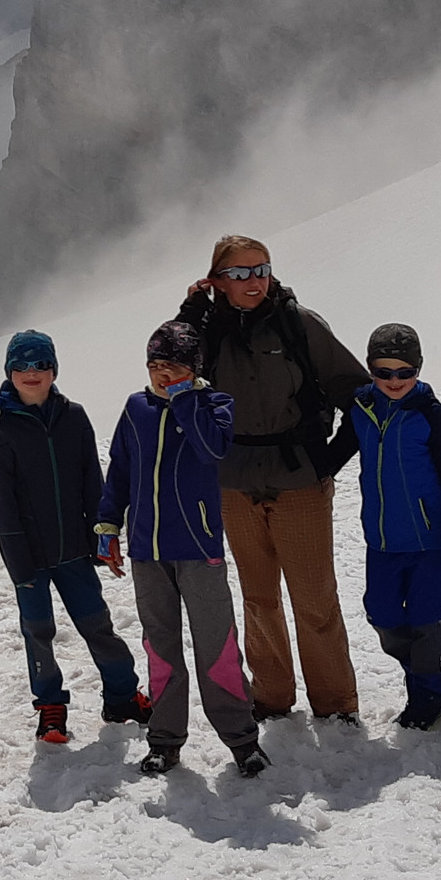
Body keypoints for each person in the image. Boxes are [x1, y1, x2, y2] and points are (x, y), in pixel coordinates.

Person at [175, 236, 372, 724]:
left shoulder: (299, 324)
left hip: (299, 479)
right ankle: (272, 696)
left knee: (314, 598)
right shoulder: (206, 331)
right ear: (217, 280)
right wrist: (189, 314)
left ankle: (335, 703)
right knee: (258, 597)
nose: (254, 281)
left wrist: (329, 460)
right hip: (234, 482)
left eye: (261, 269)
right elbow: (168, 372)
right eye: (239, 273)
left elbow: (358, 393)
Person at [94, 320, 270, 779]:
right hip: (147, 552)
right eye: (154, 365)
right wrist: (108, 525)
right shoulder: (136, 408)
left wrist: (186, 398)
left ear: (193, 369)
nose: (162, 373)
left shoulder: (215, 405)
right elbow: (120, 470)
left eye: (172, 365)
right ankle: (165, 740)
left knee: (217, 647)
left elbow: (213, 449)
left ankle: (242, 740)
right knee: (160, 648)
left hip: (198, 548)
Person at [0, 328, 141, 745]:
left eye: (41, 364)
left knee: (98, 624)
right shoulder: (4, 429)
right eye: (21, 365)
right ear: (9, 372)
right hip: (29, 556)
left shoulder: (74, 417)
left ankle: (122, 697)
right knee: (38, 631)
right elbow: (3, 502)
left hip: (74, 549)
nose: (31, 373)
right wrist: (18, 563)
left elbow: (92, 481)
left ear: (54, 370)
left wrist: (103, 536)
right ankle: (50, 708)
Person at [343, 322, 441, 729]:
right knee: (382, 616)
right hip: (382, 540)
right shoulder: (362, 409)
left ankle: (429, 697)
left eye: (405, 372)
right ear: (370, 369)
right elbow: (337, 452)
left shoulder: (433, 416)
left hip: (428, 540)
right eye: (383, 372)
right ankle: (425, 678)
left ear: (418, 369)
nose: (394, 380)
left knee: (427, 620)